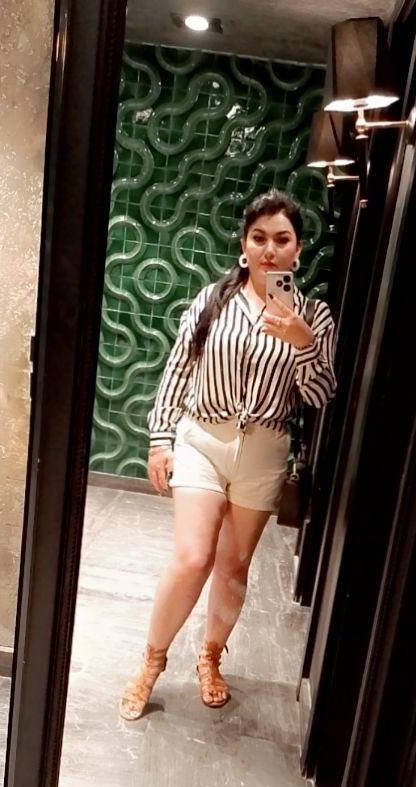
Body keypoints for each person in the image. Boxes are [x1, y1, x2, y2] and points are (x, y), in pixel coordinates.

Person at [120, 189, 336, 721]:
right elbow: (179, 367)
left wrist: (303, 342)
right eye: (259, 237)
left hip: (264, 451)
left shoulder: (315, 316)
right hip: (203, 440)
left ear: (298, 249)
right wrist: (160, 438)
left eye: (282, 239)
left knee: (233, 567)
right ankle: (151, 662)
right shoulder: (213, 300)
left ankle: (210, 658)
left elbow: (320, 394)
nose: (269, 249)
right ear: (244, 244)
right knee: (193, 558)